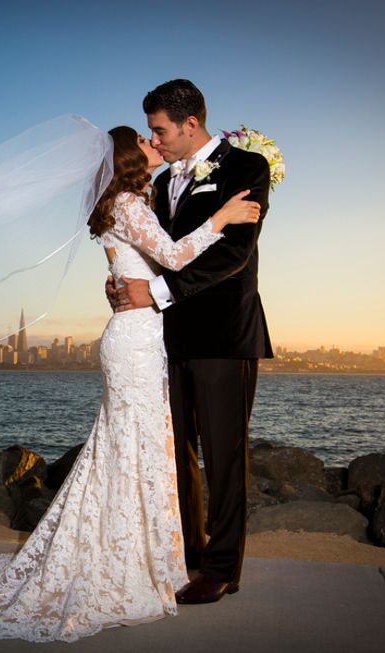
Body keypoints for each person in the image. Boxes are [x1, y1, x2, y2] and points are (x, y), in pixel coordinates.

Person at [0, 125, 260, 642]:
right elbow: (178, 256)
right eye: (145, 139)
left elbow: (144, 259)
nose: (153, 143)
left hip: (137, 336)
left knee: (126, 449)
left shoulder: (127, 202)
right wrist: (221, 218)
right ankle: (133, 558)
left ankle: (140, 552)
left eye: (156, 133)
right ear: (127, 157)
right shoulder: (130, 205)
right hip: (138, 342)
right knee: (138, 448)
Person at [112, 79, 273, 605]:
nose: (155, 141)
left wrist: (154, 291)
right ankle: (191, 555)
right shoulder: (158, 185)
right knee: (176, 454)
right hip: (167, 338)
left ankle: (223, 569)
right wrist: (121, 277)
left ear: (190, 124)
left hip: (225, 335)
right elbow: (159, 246)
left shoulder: (245, 168)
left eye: (160, 130)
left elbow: (232, 256)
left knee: (224, 458)